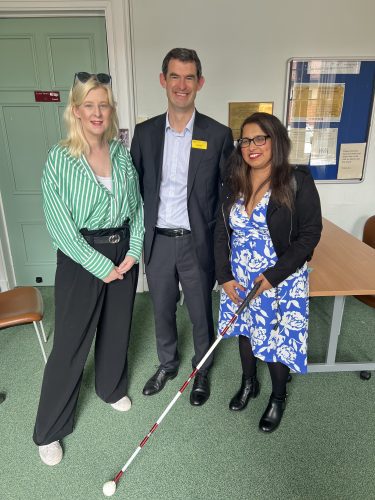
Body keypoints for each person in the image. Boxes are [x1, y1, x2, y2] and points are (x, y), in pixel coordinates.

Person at [33, 72, 144, 465]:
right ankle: (49, 430)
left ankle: (111, 389)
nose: (97, 112)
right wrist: (100, 264)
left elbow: (137, 206)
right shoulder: (60, 159)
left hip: (123, 255)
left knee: (117, 330)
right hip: (82, 258)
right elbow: (59, 224)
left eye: (104, 104)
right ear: (76, 111)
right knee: (70, 344)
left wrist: (132, 251)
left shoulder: (120, 152)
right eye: (89, 105)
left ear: (110, 110)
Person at [131, 48, 233, 406]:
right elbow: (134, 191)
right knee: (161, 307)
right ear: (163, 80)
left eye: (189, 77)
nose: (182, 85)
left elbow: (228, 197)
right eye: (174, 76)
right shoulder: (144, 135)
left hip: (196, 242)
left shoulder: (218, 135)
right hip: (157, 241)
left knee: (200, 310)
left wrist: (225, 249)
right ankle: (167, 363)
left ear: (200, 83)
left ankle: (201, 369)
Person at [214, 112, 322, 432]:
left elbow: (309, 236)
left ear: (276, 141)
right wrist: (225, 276)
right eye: (245, 140)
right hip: (240, 278)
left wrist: (273, 277)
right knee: (246, 332)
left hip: (279, 279)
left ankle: (277, 396)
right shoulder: (233, 182)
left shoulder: (296, 181)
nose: (251, 146)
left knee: (275, 341)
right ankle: (249, 383)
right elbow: (221, 232)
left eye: (260, 138)